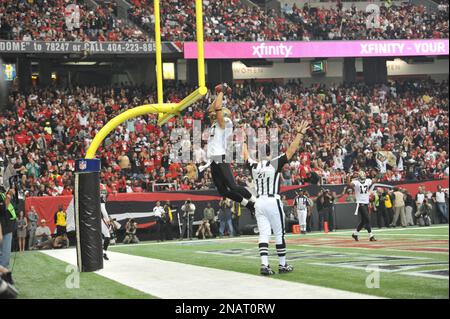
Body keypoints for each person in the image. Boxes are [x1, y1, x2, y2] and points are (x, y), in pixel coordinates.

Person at [243, 119, 310, 276]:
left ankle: (264, 265)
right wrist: (300, 133)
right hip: (273, 200)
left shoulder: (254, 166)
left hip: (258, 201)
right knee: (279, 233)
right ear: (269, 153)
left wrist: (243, 139)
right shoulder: (274, 163)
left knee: (263, 234)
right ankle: (282, 264)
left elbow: (245, 155)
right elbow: (291, 150)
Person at [199, 83, 256, 214]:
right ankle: (248, 204)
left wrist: (222, 92)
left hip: (221, 157)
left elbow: (217, 107)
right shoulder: (215, 124)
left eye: (216, 114)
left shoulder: (225, 123)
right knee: (223, 191)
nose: (212, 115)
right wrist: (217, 94)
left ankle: (255, 201)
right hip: (214, 160)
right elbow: (210, 109)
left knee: (234, 186)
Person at [344, 171, 377, 242]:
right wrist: (348, 177)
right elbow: (349, 184)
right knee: (367, 219)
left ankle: (355, 234)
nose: (363, 179)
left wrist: (377, 175)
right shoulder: (356, 182)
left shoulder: (368, 181)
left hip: (366, 203)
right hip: (360, 203)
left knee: (363, 221)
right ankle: (371, 236)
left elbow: (374, 180)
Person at [0, 187, 16, 269]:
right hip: (3, 229)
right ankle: (4, 279)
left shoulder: (2, 193)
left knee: (5, 257)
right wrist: (9, 195)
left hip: (7, 228)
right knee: (4, 258)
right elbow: (3, 208)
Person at [100, 189, 111, 260]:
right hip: (100, 219)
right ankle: (104, 252)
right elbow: (103, 210)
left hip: (93, 219)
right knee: (107, 235)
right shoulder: (101, 200)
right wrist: (108, 220)